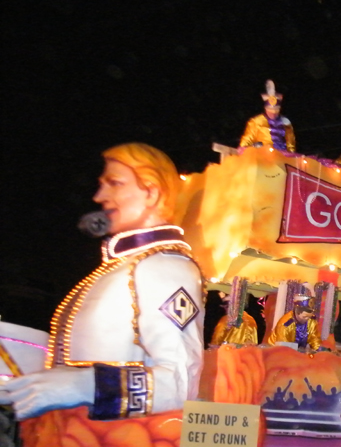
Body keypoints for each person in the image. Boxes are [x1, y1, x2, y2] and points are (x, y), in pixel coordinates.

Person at [0, 143, 204, 420]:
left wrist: (81, 386)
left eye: (114, 184)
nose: (99, 197)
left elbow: (180, 384)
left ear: (152, 192)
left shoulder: (164, 267)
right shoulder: (123, 267)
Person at [239, 79, 296, 152]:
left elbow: (291, 144)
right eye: (270, 111)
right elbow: (246, 141)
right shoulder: (256, 121)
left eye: (276, 110)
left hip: (282, 156)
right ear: (265, 109)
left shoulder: (286, 122)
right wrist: (246, 148)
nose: (273, 113)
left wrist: (290, 156)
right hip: (263, 155)